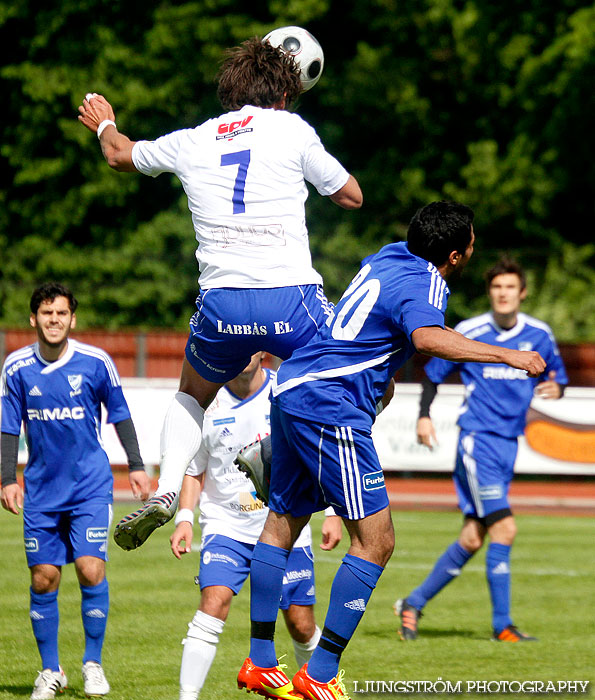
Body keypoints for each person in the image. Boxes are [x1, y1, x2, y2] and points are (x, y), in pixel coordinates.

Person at [236, 201, 547, 700]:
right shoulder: (428, 282)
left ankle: (260, 661)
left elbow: (377, 329)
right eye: (471, 242)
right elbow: (425, 337)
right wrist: (508, 355)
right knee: (376, 541)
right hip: (330, 403)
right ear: (454, 254)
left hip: (293, 384)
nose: (473, 248)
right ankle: (319, 675)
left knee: (283, 520)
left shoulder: (388, 255)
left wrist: (383, 380)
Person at [77, 36, 362, 551]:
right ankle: (281, 455)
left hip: (222, 303)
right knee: (356, 372)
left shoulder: (195, 138)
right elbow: (350, 196)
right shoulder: (292, 128)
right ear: (286, 89)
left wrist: (104, 122)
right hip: (290, 297)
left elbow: (118, 155)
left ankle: (165, 492)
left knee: (191, 393)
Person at [395, 256, 568, 643]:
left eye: (510, 287)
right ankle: (502, 626)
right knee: (504, 528)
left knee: (474, 537)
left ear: (521, 293)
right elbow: (433, 373)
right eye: (496, 287)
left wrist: (557, 388)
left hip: (508, 445)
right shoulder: (471, 331)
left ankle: (413, 603)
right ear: (490, 293)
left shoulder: (539, 334)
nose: (503, 294)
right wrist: (424, 416)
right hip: (477, 442)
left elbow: (558, 376)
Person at [0, 282, 151, 700]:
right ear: (33, 319)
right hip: (42, 491)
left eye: (61, 313)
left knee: (90, 568)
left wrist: (136, 466)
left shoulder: (95, 362)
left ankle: (93, 664)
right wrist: (7, 478)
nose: (54, 320)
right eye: (46, 313)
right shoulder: (16, 368)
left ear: (72, 319)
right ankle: (50, 671)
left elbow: (120, 413)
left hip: (89, 486)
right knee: (44, 578)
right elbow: (9, 426)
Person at [169, 352, 342, 700]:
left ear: (261, 351)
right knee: (213, 601)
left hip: (285, 524)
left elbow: (322, 452)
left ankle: (318, 687)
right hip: (226, 526)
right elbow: (193, 469)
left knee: (300, 624)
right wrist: (184, 519)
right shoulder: (208, 400)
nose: (244, 352)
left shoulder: (287, 389)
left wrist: (334, 513)